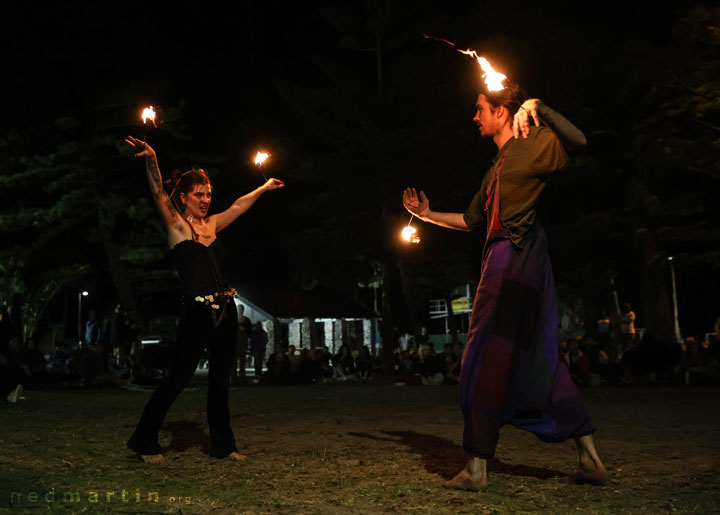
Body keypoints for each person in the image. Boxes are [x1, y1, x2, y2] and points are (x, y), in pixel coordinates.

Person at [402, 80, 607, 490]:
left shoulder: (533, 145)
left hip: (514, 264)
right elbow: (471, 220)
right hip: (516, 266)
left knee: (483, 359)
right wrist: (425, 215)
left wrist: (540, 107)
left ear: (501, 112)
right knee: (538, 362)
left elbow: (580, 140)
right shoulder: (496, 166)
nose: (474, 115)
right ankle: (591, 460)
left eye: (480, 108)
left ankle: (476, 467)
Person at [124, 135, 283, 462]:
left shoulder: (212, 225)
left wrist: (263, 188)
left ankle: (224, 447)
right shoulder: (178, 226)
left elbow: (238, 206)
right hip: (197, 313)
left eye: (209, 194)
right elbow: (157, 191)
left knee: (220, 381)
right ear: (183, 197)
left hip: (226, 311)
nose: (206, 199)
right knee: (178, 379)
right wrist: (151, 159)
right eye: (199, 194)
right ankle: (143, 441)